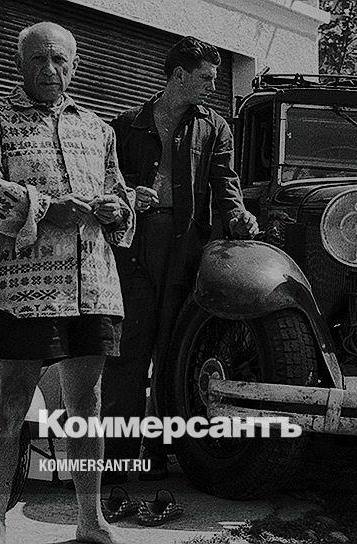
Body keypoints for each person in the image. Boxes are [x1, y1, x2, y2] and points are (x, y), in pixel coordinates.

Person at [0, 22, 134, 544]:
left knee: (88, 406)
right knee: (11, 405)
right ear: (20, 64)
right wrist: (42, 207)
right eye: (39, 59)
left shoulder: (98, 129)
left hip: (93, 286)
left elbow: (120, 195)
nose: (50, 69)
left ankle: (90, 521)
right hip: (24, 292)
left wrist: (117, 209)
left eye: (60, 60)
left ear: (74, 66)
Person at [101, 36, 258, 481]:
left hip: (185, 247)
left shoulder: (215, 127)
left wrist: (238, 215)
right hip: (133, 247)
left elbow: (225, 183)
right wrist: (129, 194)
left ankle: (156, 455)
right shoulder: (125, 125)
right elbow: (103, 182)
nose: (213, 86)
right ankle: (116, 458)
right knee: (127, 355)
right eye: (206, 78)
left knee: (173, 354)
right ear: (178, 76)